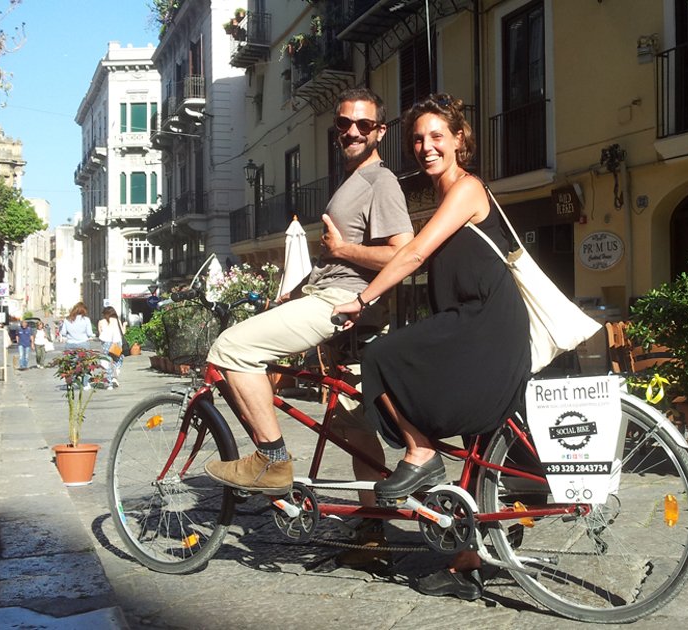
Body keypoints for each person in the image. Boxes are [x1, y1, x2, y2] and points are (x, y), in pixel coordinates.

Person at [332, 94, 531, 600]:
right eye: (417, 139)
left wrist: (364, 298)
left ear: (460, 139)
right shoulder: (441, 196)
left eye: (437, 136)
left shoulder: (466, 189)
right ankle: (469, 565)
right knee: (478, 453)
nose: (425, 147)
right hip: (469, 323)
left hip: (485, 324)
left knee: (380, 355)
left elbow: (415, 253)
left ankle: (419, 452)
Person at [204, 87, 414, 514]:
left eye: (363, 125)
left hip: (341, 302)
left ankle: (272, 459)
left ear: (380, 132)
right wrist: (294, 293)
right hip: (332, 300)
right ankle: (372, 529)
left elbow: (402, 252)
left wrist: (342, 253)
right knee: (352, 428)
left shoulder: (381, 180)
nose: (352, 131)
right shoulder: (352, 183)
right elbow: (332, 260)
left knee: (231, 348)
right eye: (343, 124)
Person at [59, 302, 95, 389]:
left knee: (72, 364)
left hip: (70, 344)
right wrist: (92, 336)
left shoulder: (67, 320)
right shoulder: (86, 320)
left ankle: (72, 382)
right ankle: (85, 383)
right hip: (83, 344)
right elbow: (89, 333)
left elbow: (63, 332)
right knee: (85, 364)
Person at [98, 306, 125, 388]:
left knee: (106, 362)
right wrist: (124, 325)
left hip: (106, 343)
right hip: (116, 343)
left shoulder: (101, 322)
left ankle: (109, 384)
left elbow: (100, 334)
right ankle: (116, 371)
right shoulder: (117, 320)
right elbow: (123, 332)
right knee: (118, 359)